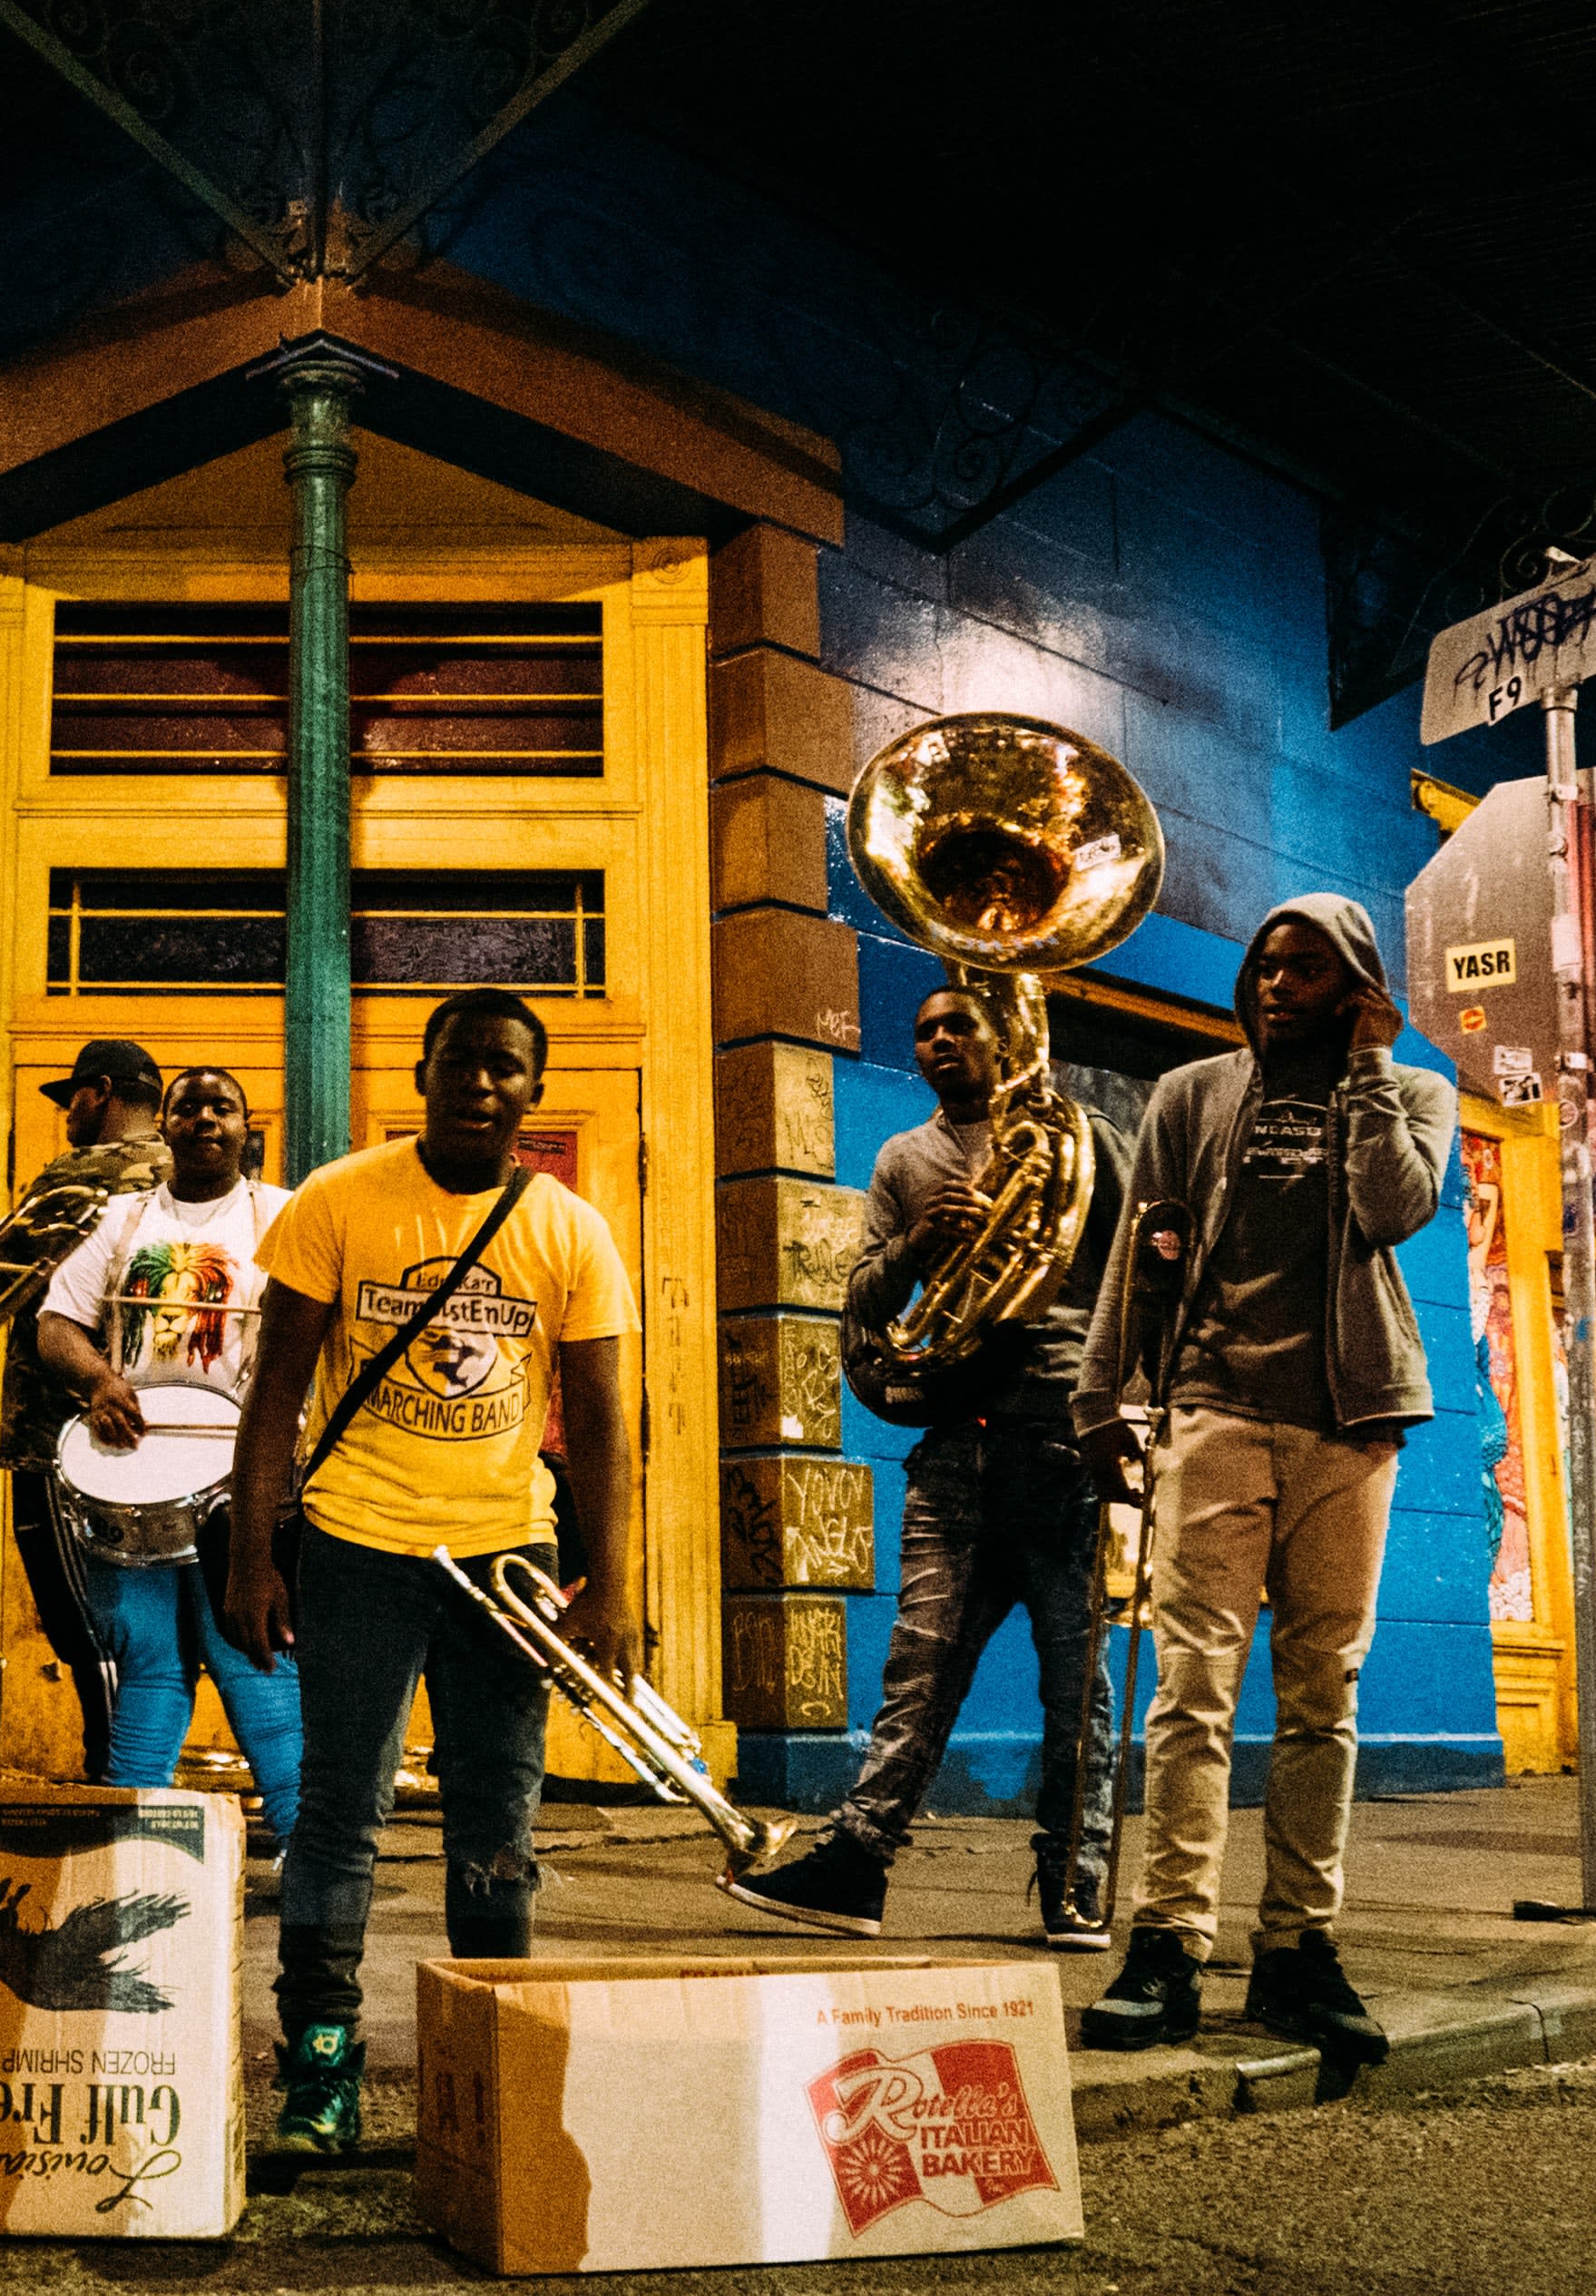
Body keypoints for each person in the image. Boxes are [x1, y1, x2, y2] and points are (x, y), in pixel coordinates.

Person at [220, 990, 640, 2157]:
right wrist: (256, 1555)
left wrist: (611, 1584)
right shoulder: (341, 1197)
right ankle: (318, 2067)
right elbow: (274, 1398)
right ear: (422, 1073)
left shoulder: (571, 1231)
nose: (481, 1083)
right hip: (359, 1542)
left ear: (532, 1092)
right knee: (337, 1812)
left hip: (507, 1553)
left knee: (497, 1817)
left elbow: (605, 1420)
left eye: (506, 1068)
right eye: (460, 1062)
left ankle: (487, 2062)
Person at [1069, 895, 1454, 2063]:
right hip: (1217, 1410)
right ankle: (1169, 1943)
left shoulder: (1415, 1092)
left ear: (1356, 986)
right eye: (1266, 969)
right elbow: (1145, 1244)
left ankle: (1297, 1947)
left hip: (1353, 1422)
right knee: (1191, 1686)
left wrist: (1374, 1067)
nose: (1277, 987)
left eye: (1306, 971)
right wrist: (1102, 1394)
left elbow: (1397, 1210)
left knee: (1321, 1696)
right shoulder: (1192, 1095)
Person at [721, 985, 1135, 1949]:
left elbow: (1142, 1277)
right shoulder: (903, 1159)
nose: (941, 1040)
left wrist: (1133, 1413)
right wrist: (918, 1242)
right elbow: (861, 1301)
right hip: (954, 1448)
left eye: (961, 1025)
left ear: (1006, 1040)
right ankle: (856, 1868)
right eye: (926, 1029)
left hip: (1061, 1444)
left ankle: (1075, 1883)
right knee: (918, 1670)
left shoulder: (1089, 1140)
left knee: (1079, 1686)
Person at [33, 1065, 303, 1844]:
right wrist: (96, 1381)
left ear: (248, 1129)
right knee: (149, 1661)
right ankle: (128, 1849)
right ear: (167, 1125)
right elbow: (57, 1325)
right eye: (190, 1107)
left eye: (224, 1107)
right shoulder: (118, 1221)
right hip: (134, 1466)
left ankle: (304, 1853)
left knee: (251, 1657)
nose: (206, 1119)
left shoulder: (279, 1218)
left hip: (242, 1478)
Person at [0, 1037, 169, 1775]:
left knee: (79, 1615)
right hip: (161, 1434)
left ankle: (109, 1772)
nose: (69, 1114)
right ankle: (137, 1762)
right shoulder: (197, 1177)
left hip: (54, 1431)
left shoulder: (77, 1173)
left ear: (100, 1093)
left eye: (74, 1098)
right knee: (148, 1616)